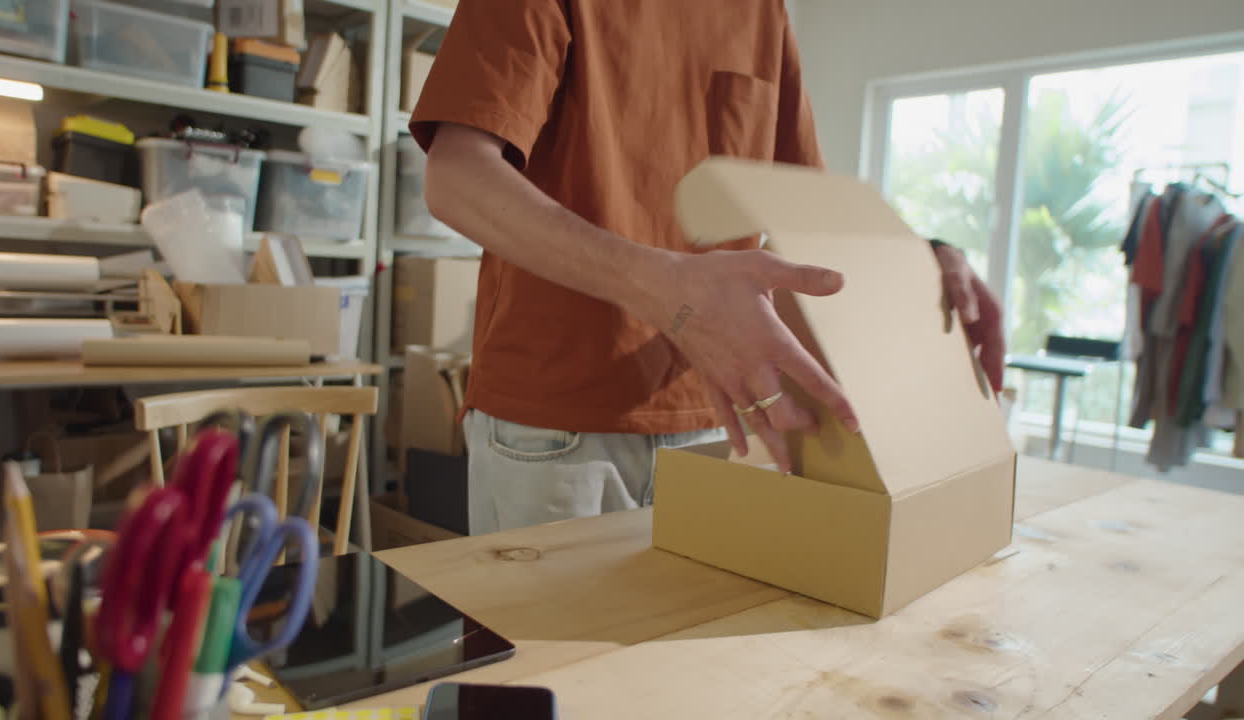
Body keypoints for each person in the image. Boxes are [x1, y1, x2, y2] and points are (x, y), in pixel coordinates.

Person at [409, 0, 1004, 535]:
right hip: (558, 430)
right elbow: (457, 178)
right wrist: (669, 291)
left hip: (727, 419)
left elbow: (807, 215)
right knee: (548, 659)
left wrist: (923, 258)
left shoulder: (763, 12)